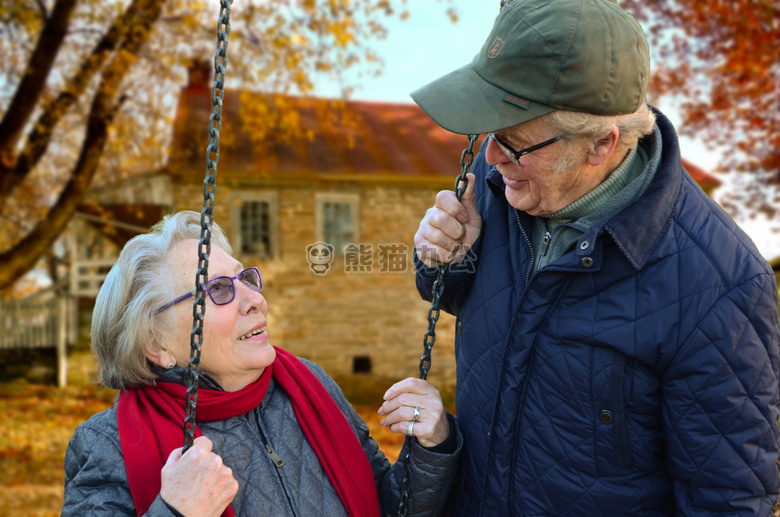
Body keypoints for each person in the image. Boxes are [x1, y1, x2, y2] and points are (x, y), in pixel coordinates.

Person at [410, 0, 780, 515]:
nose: (491, 157)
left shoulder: (721, 284)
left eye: (514, 144)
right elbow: (449, 294)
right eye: (488, 135)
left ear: (601, 145)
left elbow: (729, 498)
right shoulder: (502, 179)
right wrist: (443, 257)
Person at [63, 210, 461, 517]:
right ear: (156, 343)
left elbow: (387, 506)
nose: (254, 299)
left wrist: (430, 445)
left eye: (245, 279)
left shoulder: (309, 387)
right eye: (217, 290)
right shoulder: (107, 444)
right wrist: (175, 511)